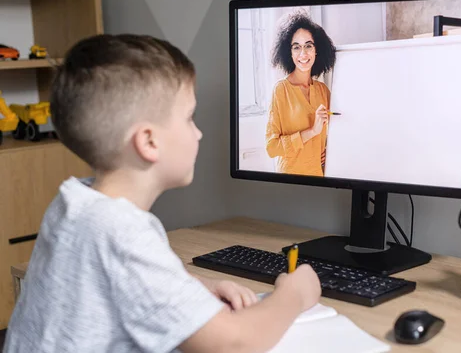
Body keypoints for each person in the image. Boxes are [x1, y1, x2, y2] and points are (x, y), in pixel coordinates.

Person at [3, 34, 321, 353]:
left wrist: (196, 289)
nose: (198, 133)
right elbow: (233, 344)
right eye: (188, 118)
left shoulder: (74, 204)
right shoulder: (121, 233)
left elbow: (126, 282)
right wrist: (293, 294)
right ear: (150, 142)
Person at [266, 12, 337, 176]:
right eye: (296, 47)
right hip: (291, 178)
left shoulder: (323, 90)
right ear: (289, 53)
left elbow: (336, 131)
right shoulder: (280, 90)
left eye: (308, 45)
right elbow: (271, 147)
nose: (303, 54)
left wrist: (328, 149)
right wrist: (312, 131)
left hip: (320, 175)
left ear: (317, 50)